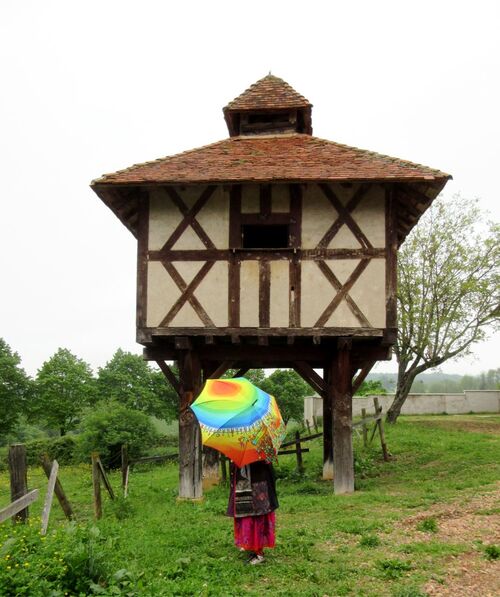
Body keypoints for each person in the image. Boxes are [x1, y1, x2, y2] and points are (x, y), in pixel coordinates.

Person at [226, 459, 278, 565]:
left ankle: (259, 552)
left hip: (258, 482)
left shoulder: (261, 446)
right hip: (244, 481)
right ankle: (249, 543)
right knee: (246, 515)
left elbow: (266, 462)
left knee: (257, 516)